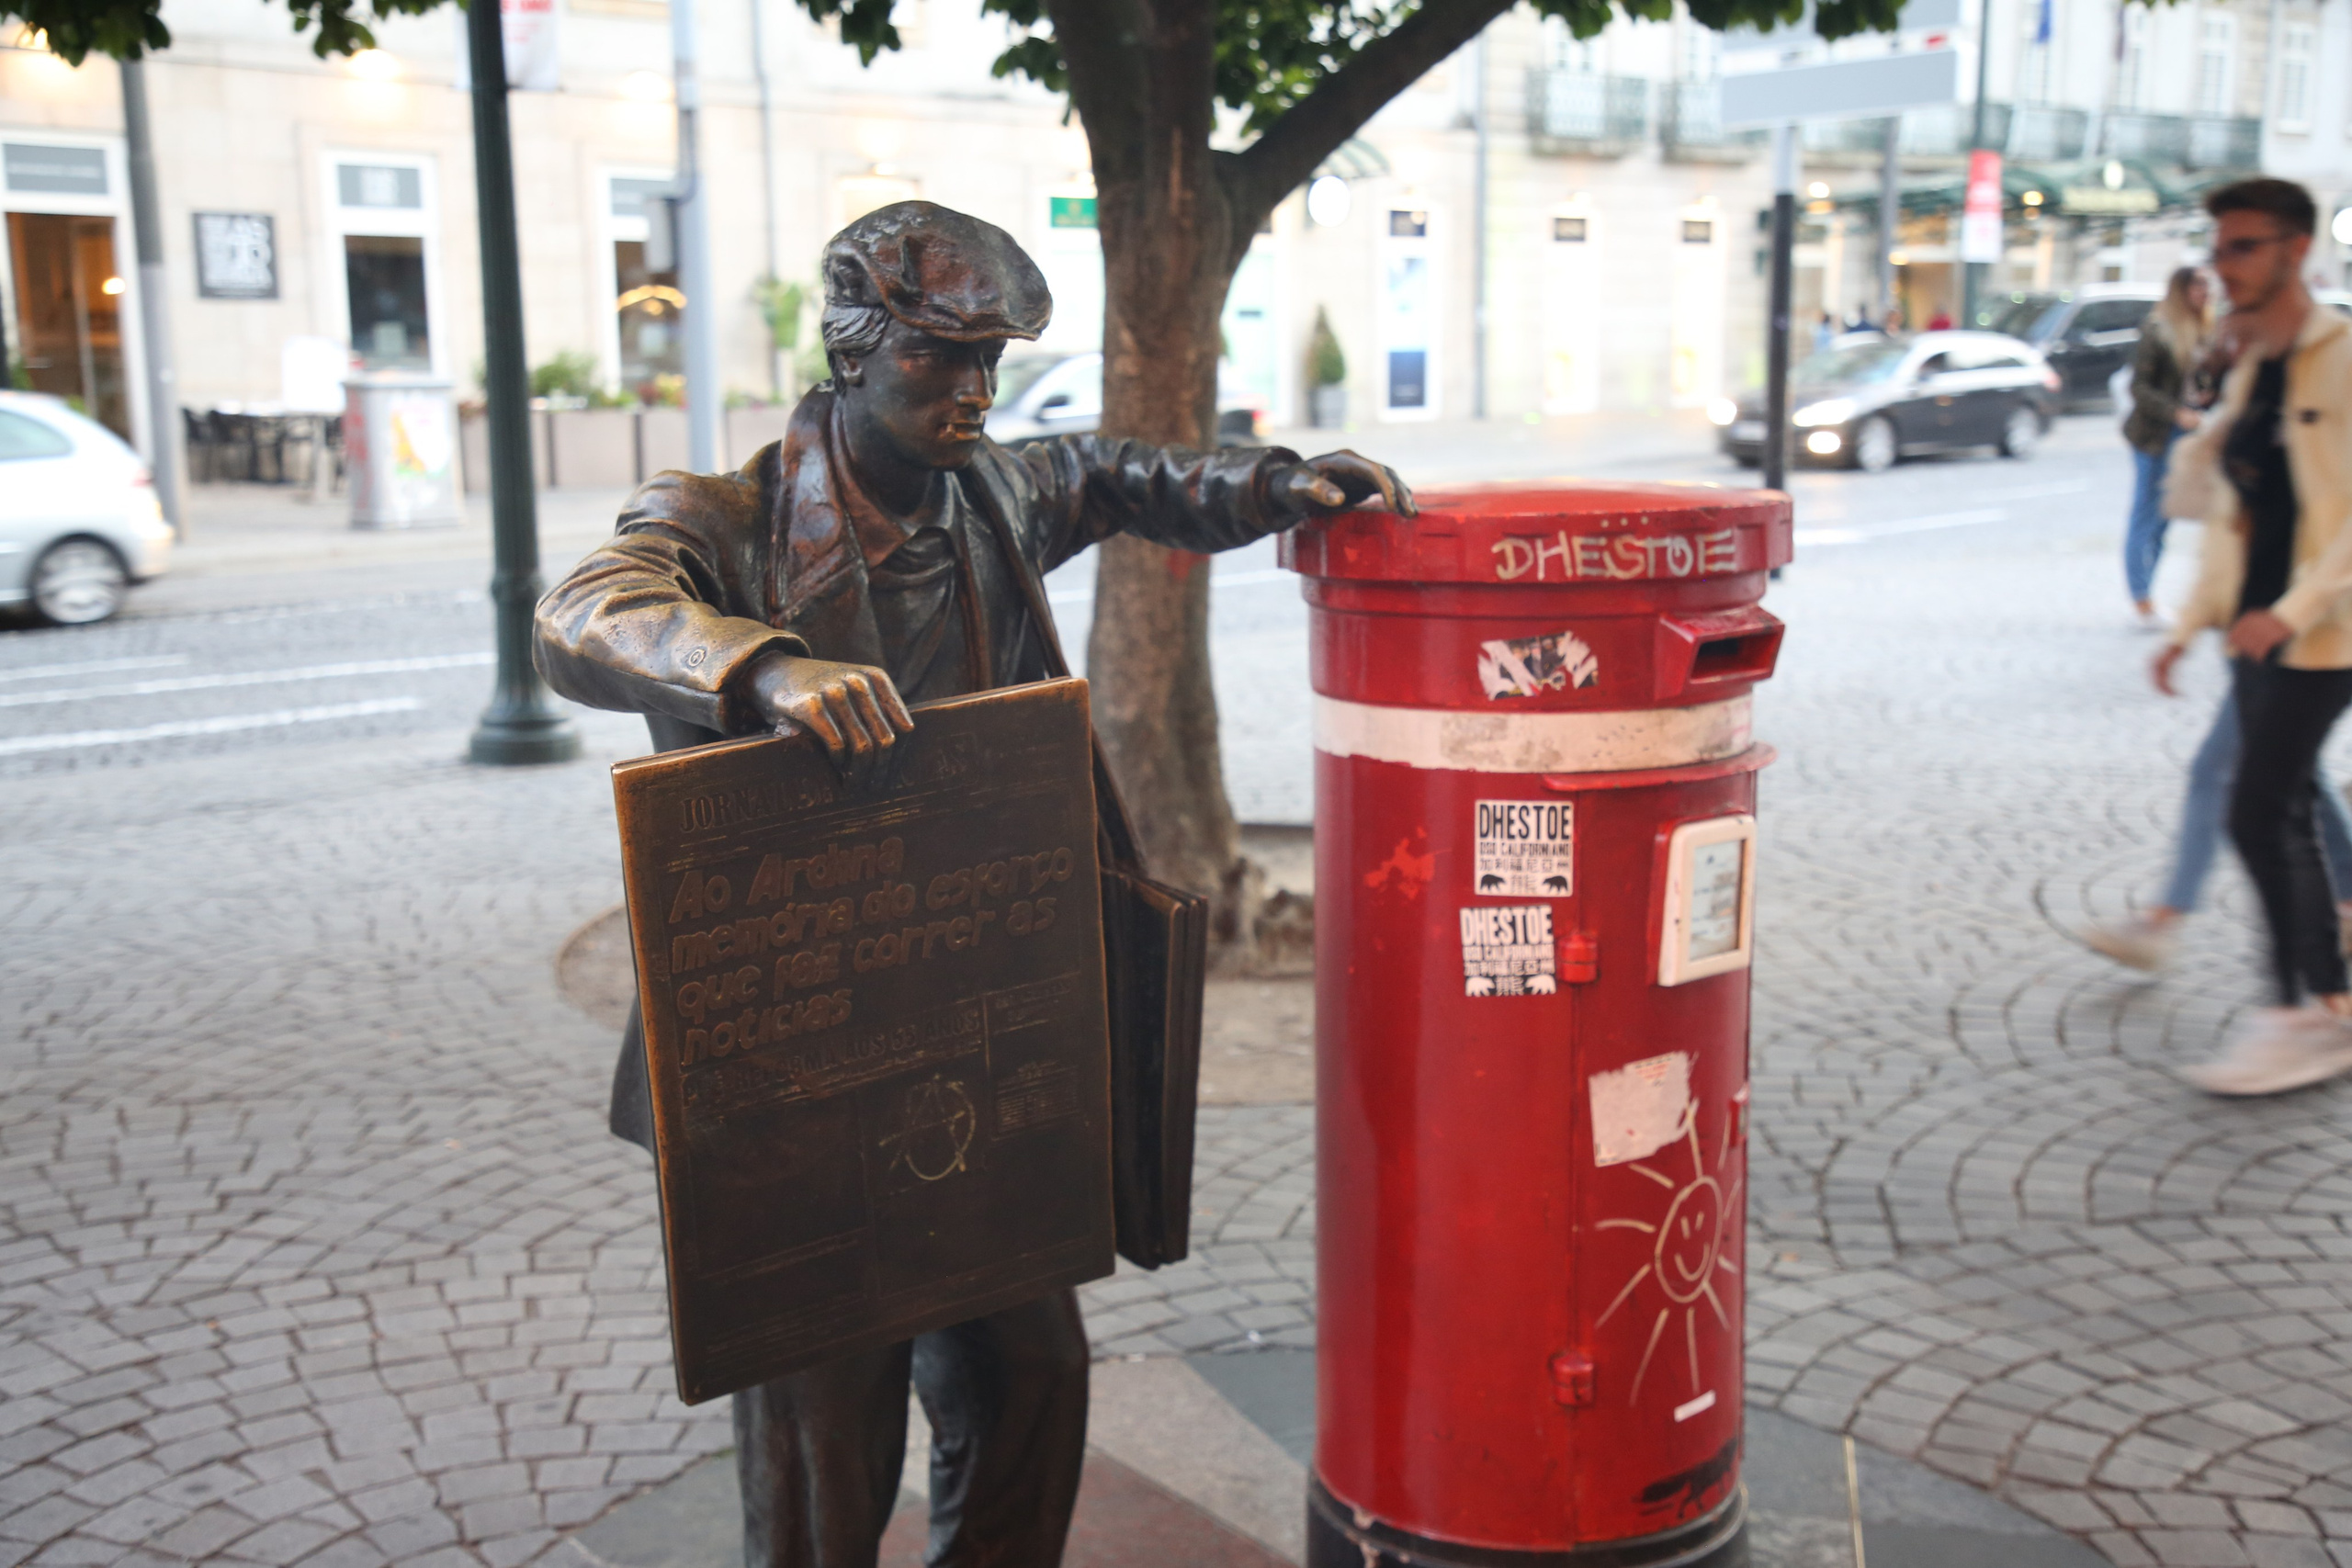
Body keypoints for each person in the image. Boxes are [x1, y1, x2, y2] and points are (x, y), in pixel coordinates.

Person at [535, 201, 1412, 1566]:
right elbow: (584, 611)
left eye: (989, 360)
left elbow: (1120, 473)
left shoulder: (994, 492)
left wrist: (1274, 485)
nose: (973, 393)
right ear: (854, 352)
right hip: (793, 1054)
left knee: (1032, 1375)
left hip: (972, 1027)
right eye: (939, 361)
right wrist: (763, 668)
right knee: (828, 1450)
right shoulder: (727, 521)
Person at [2154, 177, 2352, 1095]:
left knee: (2254, 806)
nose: (2224, 265)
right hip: (2255, 631)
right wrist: (2194, 624)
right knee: (2285, 808)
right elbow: (2230, 514)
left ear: (2295, 249)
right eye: (2218, 249)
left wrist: (2296, 608)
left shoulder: (2340, 357)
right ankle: (2320, 1002)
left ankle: (2303, 1010)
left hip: (2323, 633)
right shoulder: (2253, 365)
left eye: (2243, 247)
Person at [2084, 687, 2352, 969]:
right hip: (2274, 660)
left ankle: (2162, 919)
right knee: (2299, 765)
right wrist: (2180, 642)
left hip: (2289, 661)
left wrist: (2180, 643)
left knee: (2213, 771)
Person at [2121, 267, 2213, 625]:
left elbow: (2199, 381)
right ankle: (2140, 595)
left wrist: (2205, 396)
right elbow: (2139, 388)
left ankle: (2150, 592)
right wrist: (2175, 412)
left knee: (2167, 515)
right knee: (2146, 511)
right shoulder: (2158, 329)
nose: (2206, 292)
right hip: (2155, 433)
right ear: (2182, 290)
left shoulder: (2204, 330)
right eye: (2199, 286)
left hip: (2187, 432)